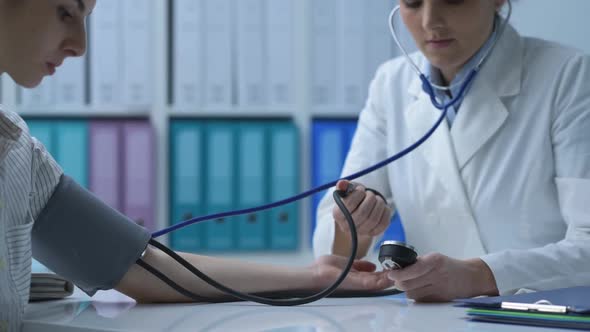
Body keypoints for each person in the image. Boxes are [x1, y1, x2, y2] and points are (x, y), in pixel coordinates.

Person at [0, 0, 395, 330]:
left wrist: (314, 278)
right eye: (66, 12)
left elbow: (144, 267)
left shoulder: (20, 155)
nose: (81, 46)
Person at [313, 0, 590, 302]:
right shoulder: (390, 83)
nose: (431, 21)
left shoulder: (569, 75)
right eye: (413, 3)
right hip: (433, 318)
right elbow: (334, 254)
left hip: (537, 315)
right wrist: (357, 222)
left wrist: (481, 275)